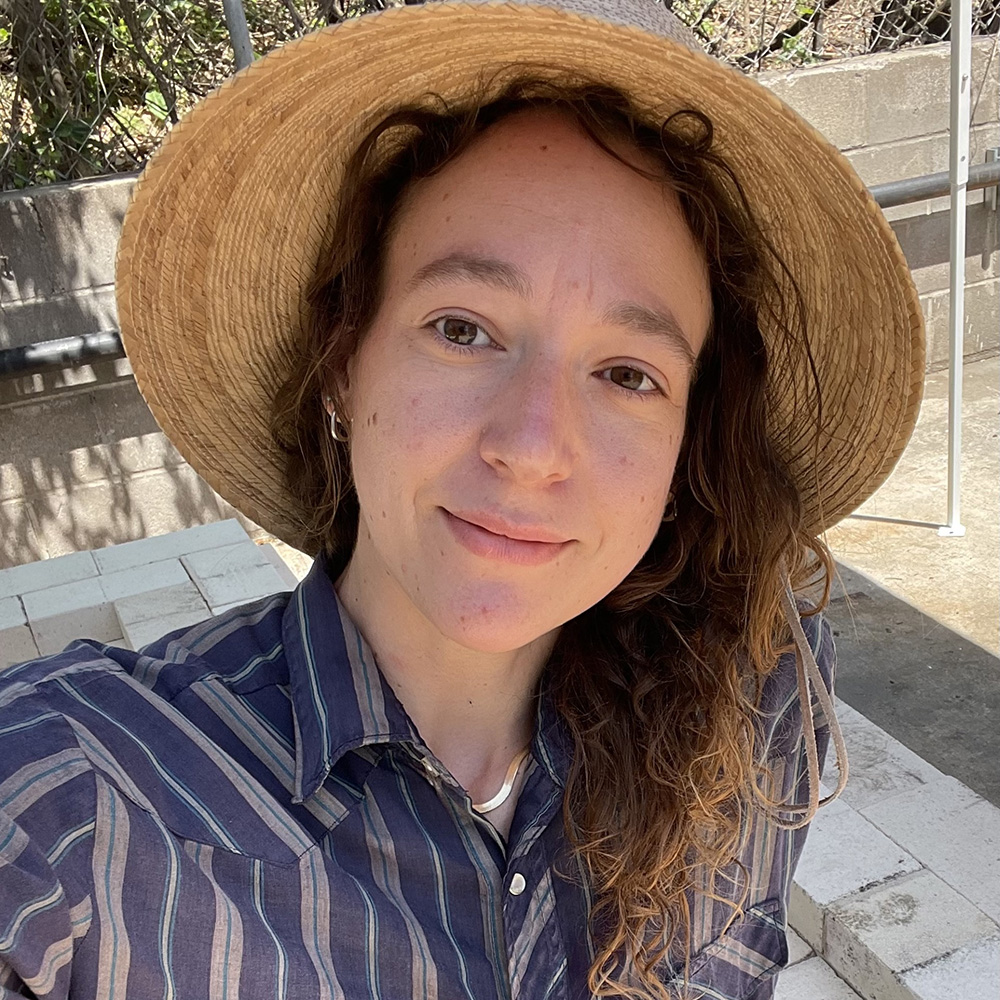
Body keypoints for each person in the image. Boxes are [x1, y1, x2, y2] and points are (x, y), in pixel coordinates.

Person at [0, 0, 924, 997]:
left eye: (626, 374)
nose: (531, 448)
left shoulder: (753, 692)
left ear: (685, 446)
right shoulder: (74, 805)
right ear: (343, 364)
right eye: (463, 328)